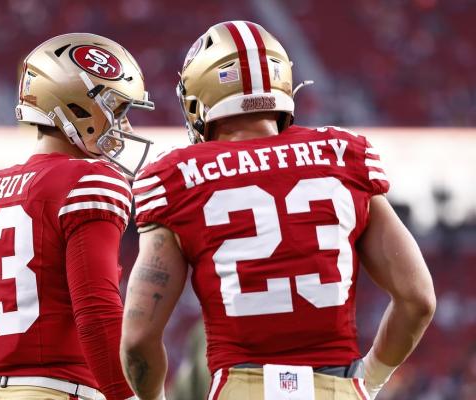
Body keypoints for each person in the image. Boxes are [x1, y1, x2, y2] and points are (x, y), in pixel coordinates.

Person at [120, 21, 436, 400]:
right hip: (337, 388)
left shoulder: (176, 176)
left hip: (242, 388)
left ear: (198, 98)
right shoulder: (342, 155)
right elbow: (418, 299)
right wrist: (368, 382)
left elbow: (138, 340)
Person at [0, 33, 154, 400]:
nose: (124, 126)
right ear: (77, 108)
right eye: (117, 110)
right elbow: (97, 313)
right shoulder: (88, 180)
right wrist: (129, 396)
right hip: (60, 390)